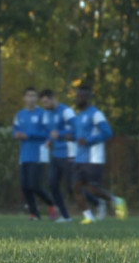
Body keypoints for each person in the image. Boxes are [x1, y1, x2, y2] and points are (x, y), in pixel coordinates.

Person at [39, 89, 106, 222]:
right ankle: (65, 216)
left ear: (53, 99)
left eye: (47, 102)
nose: (45, 106)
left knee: (73, 187)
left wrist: (61, 134)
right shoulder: (47, 114)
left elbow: (77, 129)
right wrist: (49, 140)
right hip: (56, 154)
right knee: (52, 185)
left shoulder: (66, 111)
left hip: (69, 153)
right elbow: (51, 133)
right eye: (43, 103)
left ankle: (98, 203)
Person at [71, 86, 128, 224]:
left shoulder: (96, 114)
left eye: (81, 96)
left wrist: (89, 141)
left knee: (93, 189)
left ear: (88, 97)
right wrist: (70, 137)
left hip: (94, 158)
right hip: (80, 157)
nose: (78, 98)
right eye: (77, 96)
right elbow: (78, 136)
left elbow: (108, 133)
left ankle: (116, 201)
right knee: (75, 187)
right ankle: (88, 216)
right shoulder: (78, 117)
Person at [13, 87, 57, 221]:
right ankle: (34, 214)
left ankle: (52, 204)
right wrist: (17, 135)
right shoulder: (20, 114)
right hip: (24, 155)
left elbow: (48, 133)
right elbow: (15, 130)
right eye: (29, 96)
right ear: (24, 98)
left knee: (34, 185)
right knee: (25, 186)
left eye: (34, 96)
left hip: (38, 154)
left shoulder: (42, 114)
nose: (31, 99)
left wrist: (29, 135)